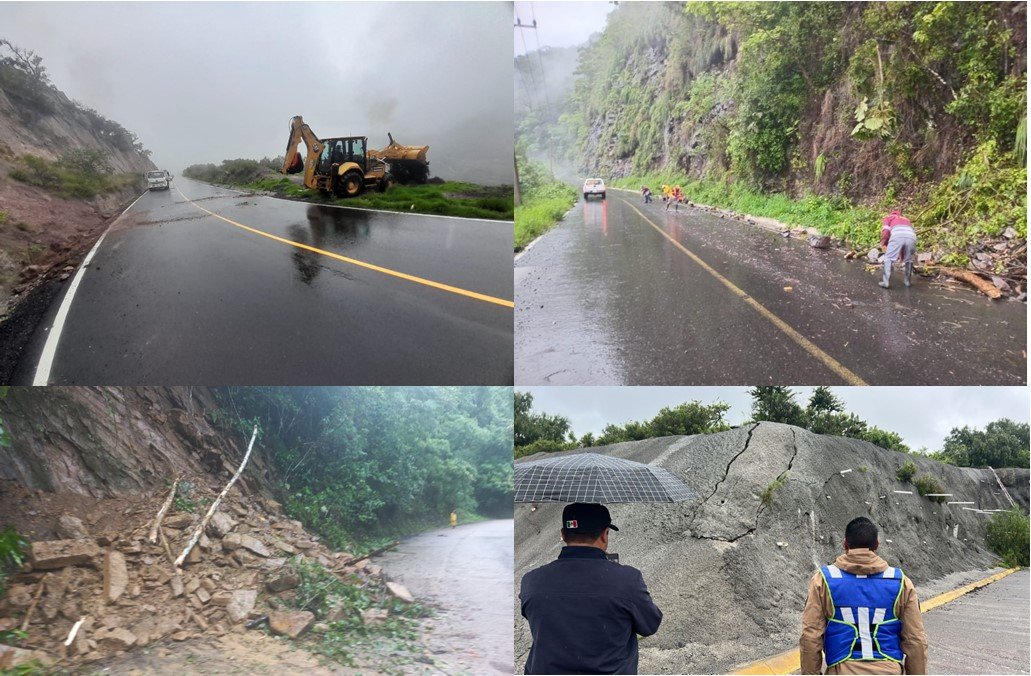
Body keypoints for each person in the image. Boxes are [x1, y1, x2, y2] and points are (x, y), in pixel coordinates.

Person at [520, 503, 662, 675]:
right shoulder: (627, 580)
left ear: (563, 534)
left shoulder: (531, 580)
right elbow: (650, 625)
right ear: (604, 535)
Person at [800, 517, 927, 675]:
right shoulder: (901, 582)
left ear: (845, 544)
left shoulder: (823, 580)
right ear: (877, 545)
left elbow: (811, 636)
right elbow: (915, 639)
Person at [879, 208, 917, 289]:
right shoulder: (906, 219)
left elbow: (885, 232)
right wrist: (902, 255)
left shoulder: (888, 218)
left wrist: (883, 244)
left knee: (888, 258)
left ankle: (886, 282)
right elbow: (905, 238)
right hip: (912, 237)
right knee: (909, 259)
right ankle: (907, 281)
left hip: (897, 236)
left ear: (891, 213)